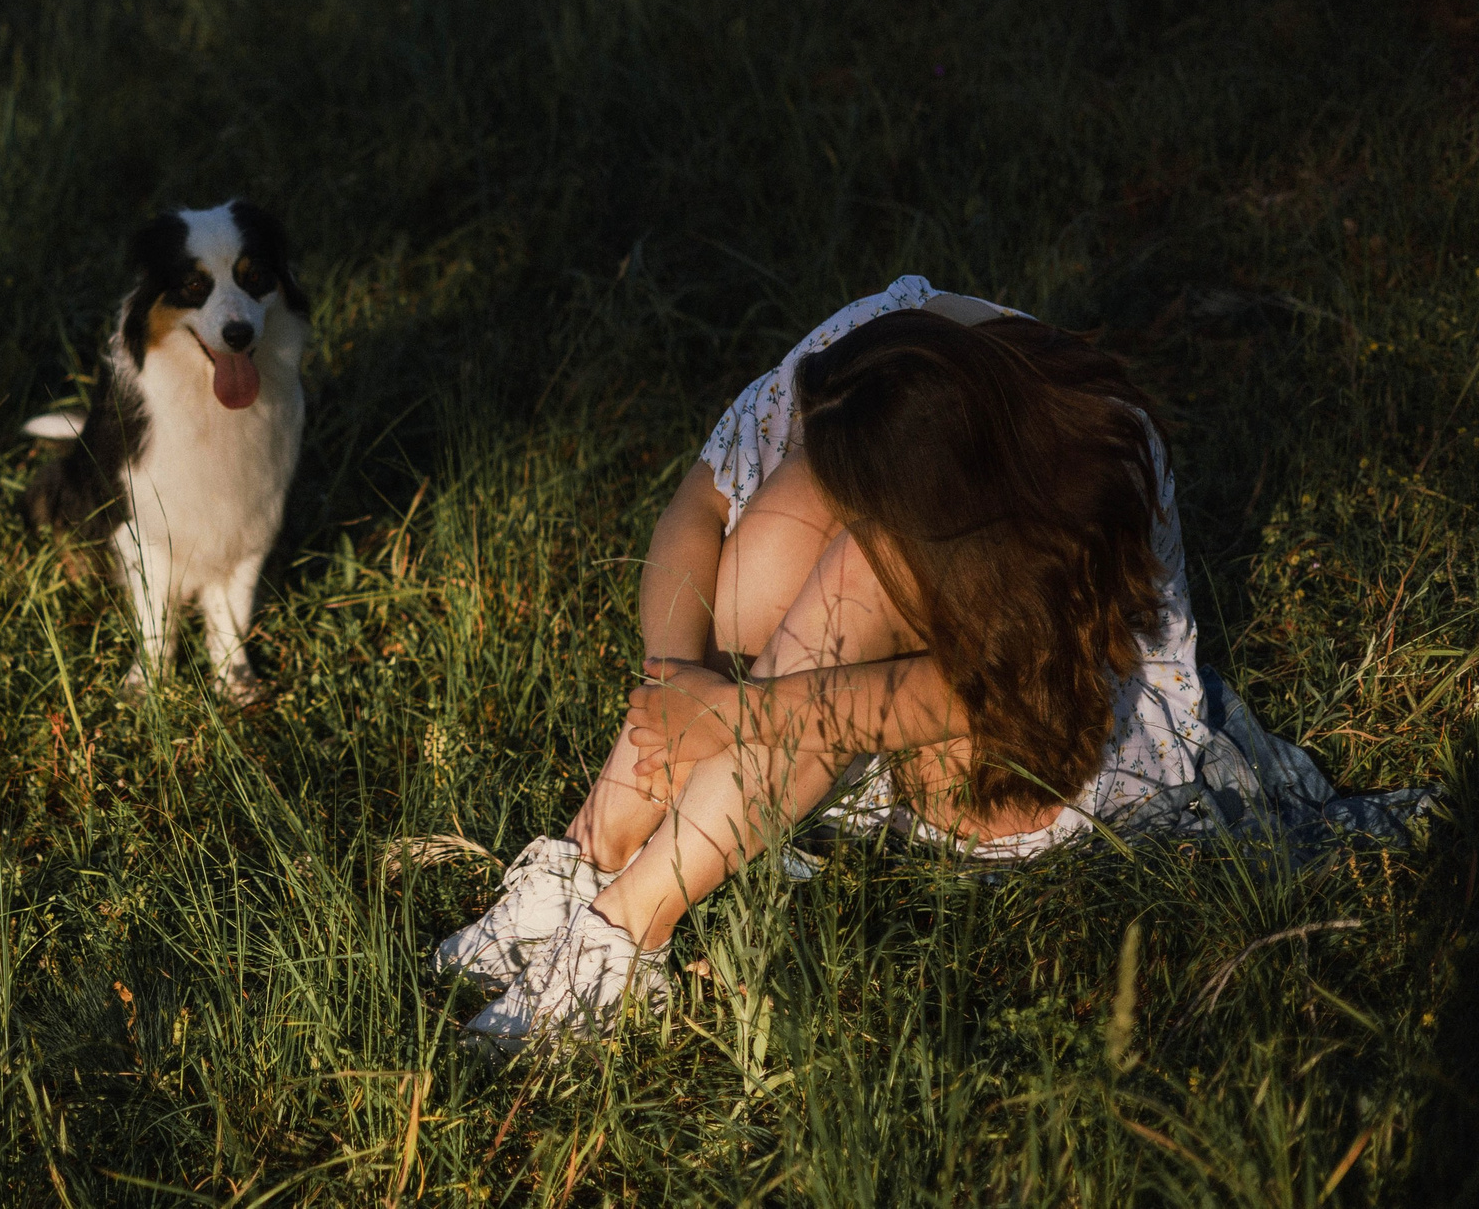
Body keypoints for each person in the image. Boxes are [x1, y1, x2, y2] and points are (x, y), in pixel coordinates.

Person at [433, 276, 1212, 1046]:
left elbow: (983, 698)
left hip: (1030, 737)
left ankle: (627, 930)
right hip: (841, 692)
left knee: (859, 574)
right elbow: (699, 505)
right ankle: (595, 853)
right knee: (789, 506)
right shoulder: (872, 347)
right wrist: (677, 686)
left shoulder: (1083, 469)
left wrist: (740, 714)